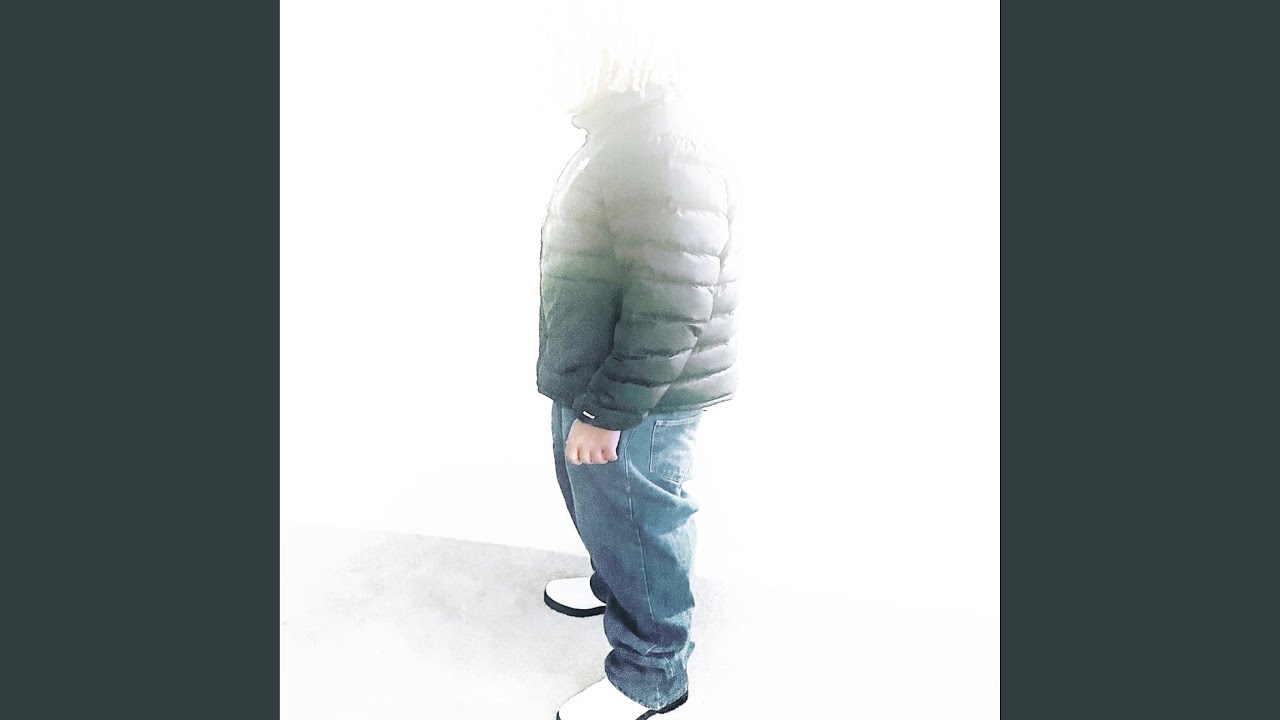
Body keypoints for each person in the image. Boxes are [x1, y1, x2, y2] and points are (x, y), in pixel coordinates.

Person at [535, 36, 740, 720]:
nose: (553, 65)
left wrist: (608, 412)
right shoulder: (618, 136)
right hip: (598, 378)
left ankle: (651, 675)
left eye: (568, 52)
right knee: (601, 506)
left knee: (639, 522)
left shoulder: (662, 145)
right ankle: (614, 582)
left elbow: (671, 301)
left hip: (640, 395)